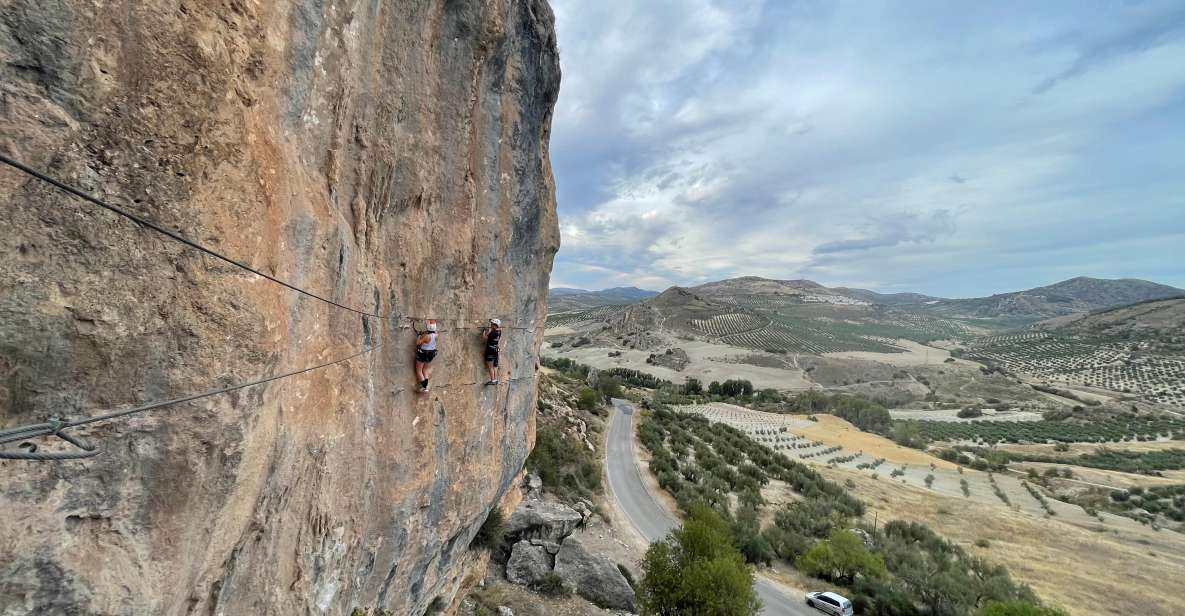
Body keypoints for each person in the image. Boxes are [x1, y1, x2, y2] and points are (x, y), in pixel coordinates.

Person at [415, 320, 438, 392]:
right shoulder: (437, 335)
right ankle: (426, 387)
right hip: (431, 354)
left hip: (423, 354)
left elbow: (418, 343)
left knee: (419, 370)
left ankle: (424, 387)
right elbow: (430, 333)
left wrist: (419, 336)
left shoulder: (426, 337)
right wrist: (425, 333)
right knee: (425, 370)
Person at [481, 318, 502, 385]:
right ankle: (495, 379)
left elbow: (484, 337)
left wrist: (484, 331)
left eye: (492, 324)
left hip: (490, 350)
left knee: (490, 366)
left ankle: (493, 380)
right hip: (495, 350)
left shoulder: (493, 332)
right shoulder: (499, 331)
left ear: (495, 325)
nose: (491, 325)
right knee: (495, 365)